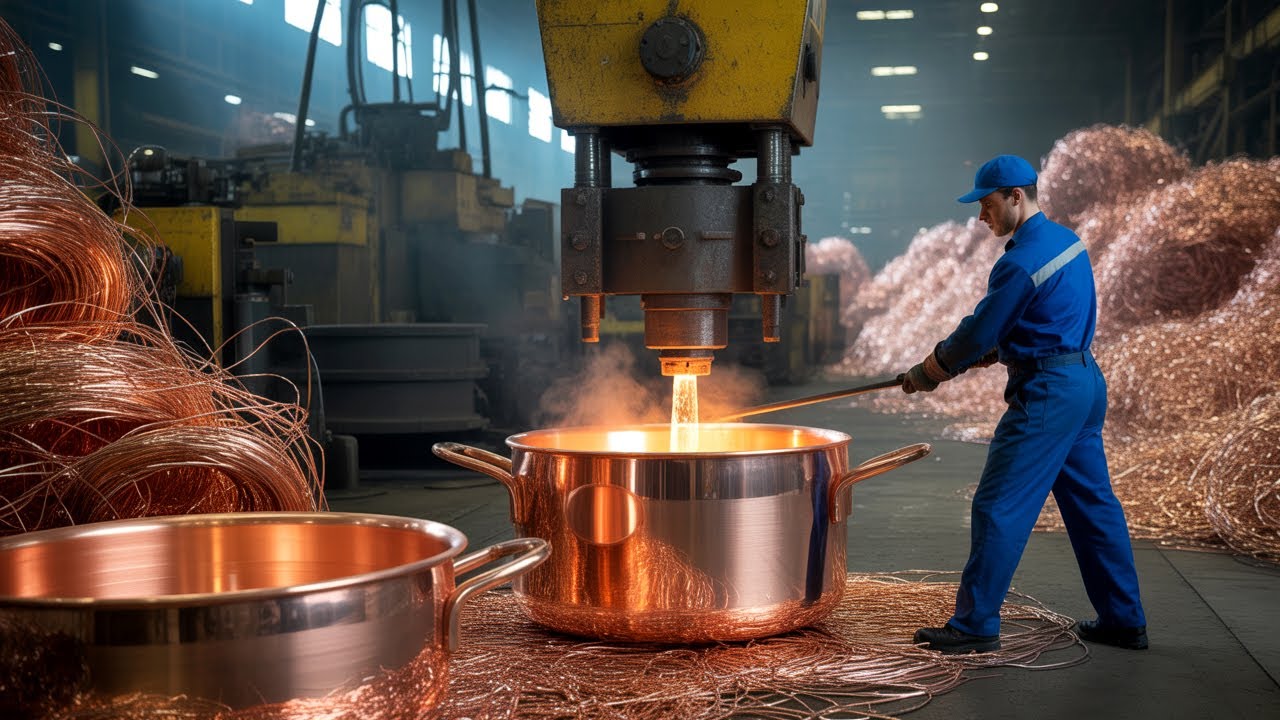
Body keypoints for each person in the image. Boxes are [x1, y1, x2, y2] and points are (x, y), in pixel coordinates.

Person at [902, 154, 1148, 654]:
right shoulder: (1067, 241)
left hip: (1047, 395)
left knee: (998, 506)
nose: (981, 217)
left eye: (987, 205)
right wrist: (1001, 351)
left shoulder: (1017, 262)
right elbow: (1047, 314)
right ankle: (1124, 620)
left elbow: (979, 329)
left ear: (1016, 196)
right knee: (1093, 507)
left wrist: (931, 370)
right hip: (1082, 381)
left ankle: (973, 626)